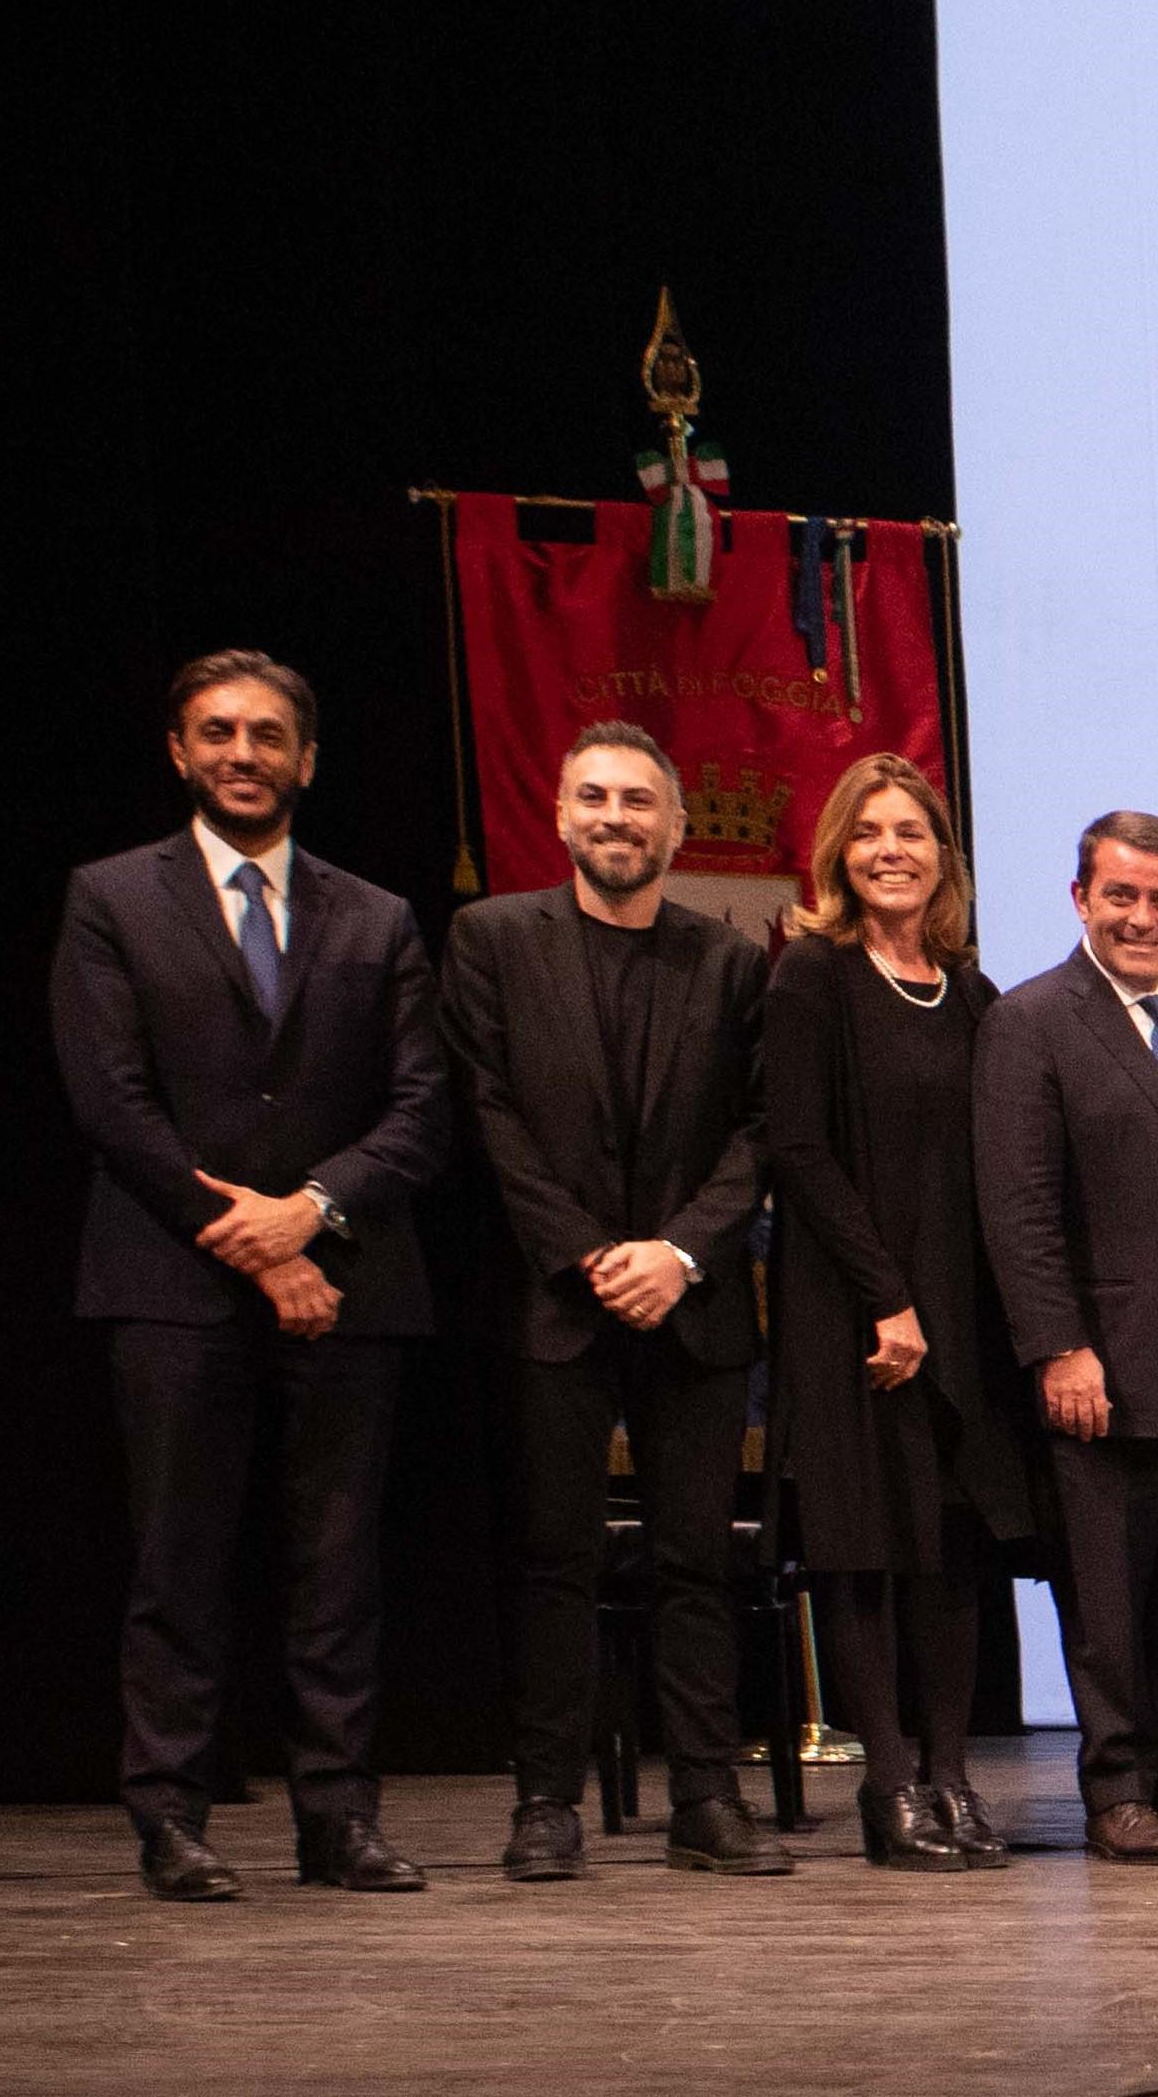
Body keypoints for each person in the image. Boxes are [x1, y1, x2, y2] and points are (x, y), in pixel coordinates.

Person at [51, 652, 449, 1900]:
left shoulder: (375, 917)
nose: (243, 753)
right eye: (217, 732)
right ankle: (172, 1816)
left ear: (306, 759)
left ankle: (339, 1818)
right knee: (180, 1563)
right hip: (172, 1285)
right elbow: (111, 1100)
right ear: (179, 750)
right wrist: (260, 1245)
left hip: (350, 1279)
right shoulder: (112, 898)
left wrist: (312, 1213)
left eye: (267, 735)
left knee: (336, 1572)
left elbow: (423, 1105)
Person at [441, 721, 786, 1882]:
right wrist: (592, 1255)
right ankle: (547, 1803)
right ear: (558, 813)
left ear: (675, 828)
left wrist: (679, 1254)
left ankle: (705, 1795)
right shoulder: (490, 939)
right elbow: (486, 1114)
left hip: (689, 1304)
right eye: (595, 797)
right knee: (555, 1559)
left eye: (640, 802)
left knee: (695, 1558)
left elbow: (758, 1131)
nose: (617, 819)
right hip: (559, 1299)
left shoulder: (732, 961)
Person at [978, 810, 1158, 1865]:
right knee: (1104, 1605)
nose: (1143, 918)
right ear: (1079, 900)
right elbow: (1016, 1206)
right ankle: (1116, 1792)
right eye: (1122, 896)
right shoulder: (1031, 1021)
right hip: (1100, 1367)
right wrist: (1059, 1345)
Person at [758, 753, 1029, 1871]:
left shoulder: (969, 990)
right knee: (864, 1546)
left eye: (910, 832)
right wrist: (887, 1299)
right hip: (855, 1308)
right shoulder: (809, 977)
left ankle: (954, 1777)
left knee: (948, 1547)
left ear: (941, 856)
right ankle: (886, 1786)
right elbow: (799, 1150)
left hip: (958, 1308)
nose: (890, 851)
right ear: (838, 855)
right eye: (868, 833)